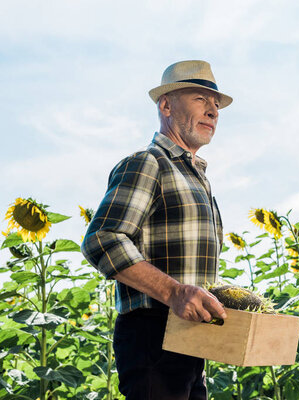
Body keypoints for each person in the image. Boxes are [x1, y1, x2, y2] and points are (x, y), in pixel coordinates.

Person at [82, 60, 232, 400]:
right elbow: (102, 239)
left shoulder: (196, 177)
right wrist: (174, 292)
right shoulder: (148, 163)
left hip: (190, 339)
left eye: (216, 104)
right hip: (153, 335)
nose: (213, 110)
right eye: (200, 99)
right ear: (166, 105)